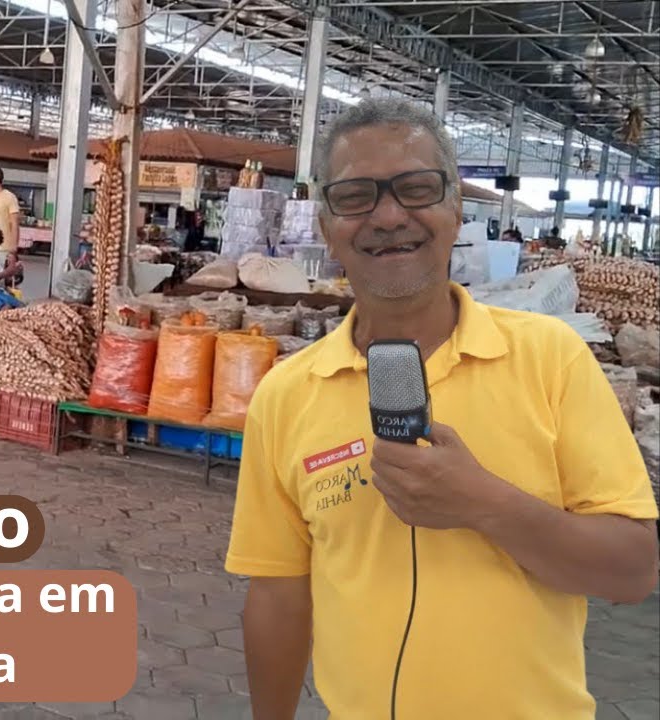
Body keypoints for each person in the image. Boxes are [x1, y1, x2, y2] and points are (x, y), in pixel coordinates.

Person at [225, 98, 658, 720]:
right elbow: (278, 592)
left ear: (456, 210)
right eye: (355, 197)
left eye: (416, 189)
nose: (389, 215)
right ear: (325, 227)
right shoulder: (286, 395)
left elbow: (632, 571)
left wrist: (483, 502)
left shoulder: (549, 359)